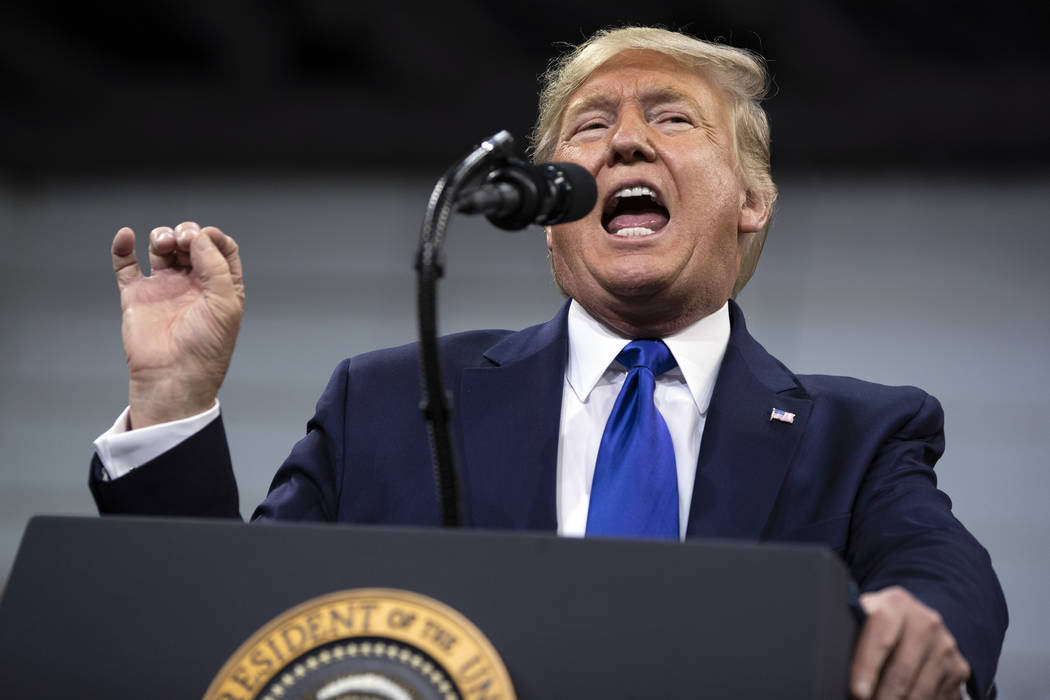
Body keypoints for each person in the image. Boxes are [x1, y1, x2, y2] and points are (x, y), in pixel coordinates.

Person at [89, 26, 1006, 700]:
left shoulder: (860, 432)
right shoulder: (387, 401)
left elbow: (941, 569)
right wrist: (172, 402)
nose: (626, 141)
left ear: (753, 200)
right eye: (590, 125)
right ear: (549, 211)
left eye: (674, 117)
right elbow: (234, 628)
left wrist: (925, 624)